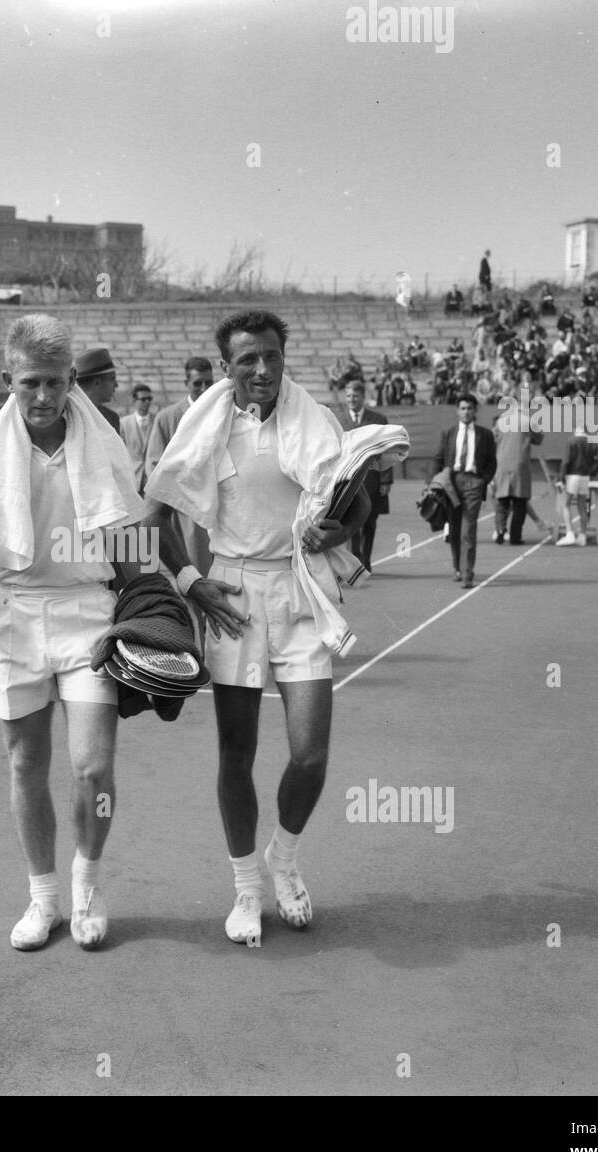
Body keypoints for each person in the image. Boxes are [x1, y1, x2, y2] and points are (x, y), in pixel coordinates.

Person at [144, 310, 375, 947]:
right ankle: (247, 887)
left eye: (272, 356)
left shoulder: (315, 420)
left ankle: (286, 859)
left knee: (310, 753)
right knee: (236, 753)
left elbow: (359, 498)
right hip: (233, 592)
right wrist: (191, 582)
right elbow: (153, 514)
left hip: (300, 586)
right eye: (248, 359)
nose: (263, 370)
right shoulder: (205, 428)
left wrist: (342, 530)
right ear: (226, 367)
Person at [0, 313, 144, 952]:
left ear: (71, 382)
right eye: (30, 382)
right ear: (8, 379)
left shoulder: (103, 444)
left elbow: (129, 538)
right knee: (26, 762)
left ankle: (87, 884)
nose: (44, 396)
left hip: (89, 612)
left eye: (56, 383)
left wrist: (148, 612)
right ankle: (43, 899)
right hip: (17, 614)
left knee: (92, 767)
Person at [145, 356, 217, 577]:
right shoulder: (168, 418)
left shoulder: (223, 413)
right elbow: (155, 465)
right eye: (197, 383)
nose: (204, 389)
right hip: (188, 509)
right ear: (187, 383)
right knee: (197, 570)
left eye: (208, 382)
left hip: (222, 505)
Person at [433, 394, 496, 588]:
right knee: (454, 528)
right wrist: (434, 484)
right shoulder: (449, 433)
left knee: (468, 529)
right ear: (457, 411)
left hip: (474, 483)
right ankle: (457, 567)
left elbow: (492, 462)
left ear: (475, 410)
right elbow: (439, 458)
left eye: (469, 408)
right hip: (452, 482)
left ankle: (468, 573)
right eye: (463, 408)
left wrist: (483, 480)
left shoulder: (485, 434)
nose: (466, 412)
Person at [338, 378, 390, 572]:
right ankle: (354, 562)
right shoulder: (338, 418)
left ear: (363, 397)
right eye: (349, 396)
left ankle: (366, 560)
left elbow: (386, 451)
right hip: (345, 479)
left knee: (369, 522)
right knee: (350, 523)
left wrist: (386, 479)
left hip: (371, 479)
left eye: (355, 396)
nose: (351, 399)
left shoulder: (378, 420)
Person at [492, 395, 544, 545]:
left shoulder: (501, 420)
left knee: (502, 501)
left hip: (501, 464)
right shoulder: (528, 421)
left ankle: (501, 530)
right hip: (519, 465)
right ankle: (515, 536)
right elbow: (539, 439)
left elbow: (494, 437)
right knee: (520, 503)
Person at [555, 426, 598, 546]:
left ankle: (570, 533)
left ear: (575, 430)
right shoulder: (592, 442)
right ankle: (583, 536)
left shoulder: (571, 441)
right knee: (582, 507)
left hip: (572, 476)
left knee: (565, 504)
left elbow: (566, 461)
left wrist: (561, 478)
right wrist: (593, 472)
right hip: (585, 477)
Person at [72, 346, 122, 434]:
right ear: (97, 383)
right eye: (112, 379)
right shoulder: (68, 416)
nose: (116, 385)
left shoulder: (111, 418)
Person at [118, 383, 155, 494]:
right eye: (143, 399)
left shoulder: (158, 420)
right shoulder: (124, 423)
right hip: (132, 478)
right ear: (135, 400)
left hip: (152, 479)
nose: (147, 402)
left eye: (149, 399)